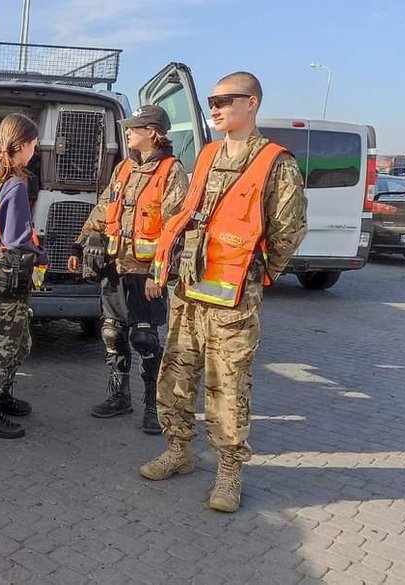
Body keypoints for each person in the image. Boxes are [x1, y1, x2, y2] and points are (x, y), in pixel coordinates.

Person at [139, 72, 308, 513]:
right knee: (175, 377)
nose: (214, 108)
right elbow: (186, 213)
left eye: (224, 100)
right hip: (189, 293)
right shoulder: (210, 154)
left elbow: (289, 230)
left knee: (228, 387)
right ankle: (178, 452)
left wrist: (258, 273)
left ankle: (229, 471)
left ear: (251, 103)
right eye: (211, 101)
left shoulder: (276, 162)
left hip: (233, 301)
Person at [68, 105, 188, 433]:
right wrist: (79, 244)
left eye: (135, 128)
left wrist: (158, 274)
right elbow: (104, 208)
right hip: (114, 267)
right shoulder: (123, 168)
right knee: (111, 333)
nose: (128, 132)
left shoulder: (171, 171)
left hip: (144, 274)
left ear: (152, 132)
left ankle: (155, 405)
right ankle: (119, 396)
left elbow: (174, 229)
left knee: (146, 339)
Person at [0, 113, 48, 440]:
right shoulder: (14, 183)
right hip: (8, 276)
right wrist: (41, 256)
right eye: (34, 143)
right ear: (24, 145)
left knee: (20, 342)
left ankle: (2, 394)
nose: (36, 149)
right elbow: (17, 239)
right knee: (5, 346)